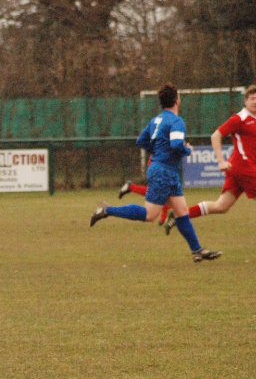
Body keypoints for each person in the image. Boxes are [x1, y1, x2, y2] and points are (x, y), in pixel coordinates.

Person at [90, 83, 222, 263]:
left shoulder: (156, 120)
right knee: (150, 215)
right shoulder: (176, 121)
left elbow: (141, 140)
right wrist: (187, 150)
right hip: (164, 171)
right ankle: (106, 210)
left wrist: (159, 150)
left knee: (181, 211)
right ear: (177, 100)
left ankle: (197, 250)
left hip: (166, 170)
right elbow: (176, 145)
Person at [161, 84, 256, 235]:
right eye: (252, 98)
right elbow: (216, 135)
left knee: (221, 206)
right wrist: (221, 161)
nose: (255, 101)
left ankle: (180, 215)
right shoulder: (239, 119)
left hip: (239, 168)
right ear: (245, 101)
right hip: (243, 166)